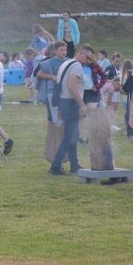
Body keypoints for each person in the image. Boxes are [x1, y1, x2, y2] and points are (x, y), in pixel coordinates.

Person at [49, 45, 92, 175]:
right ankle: (55, 165)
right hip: (71, 103)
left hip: (64, 102)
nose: (89, 61)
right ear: (81, 53)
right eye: (88, 58)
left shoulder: (67, 63)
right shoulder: (76, 66)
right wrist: (82, 105)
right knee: (69, 136)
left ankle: (74, 164)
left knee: (73, 135)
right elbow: (72, 87)